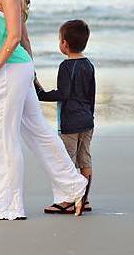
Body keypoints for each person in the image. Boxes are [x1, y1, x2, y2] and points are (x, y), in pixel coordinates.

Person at [0, 0, 88, 220]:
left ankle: (7, 206)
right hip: (19, 68)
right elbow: (24, 37)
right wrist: (31, 73)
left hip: (10, 69)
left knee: (2, 136)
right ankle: (73, 187)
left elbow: (14, 37)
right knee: (37, 131)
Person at [34, 20, 95, 213]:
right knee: (85, 161)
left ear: (64, 44)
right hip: (87, 121)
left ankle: (69, 200)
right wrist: (90, 117)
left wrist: (40, 92)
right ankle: (84, 200)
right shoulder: (89, 65)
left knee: (66, 162)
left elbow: (64, 94)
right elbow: (91, 95)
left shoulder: (66, 66)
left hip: (70, 123)